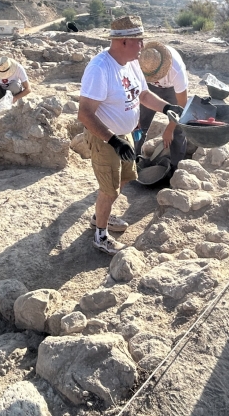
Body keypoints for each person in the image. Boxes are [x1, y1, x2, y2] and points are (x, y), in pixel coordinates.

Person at [78, 16, 184, 255]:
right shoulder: (99, 68)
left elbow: (143, 95)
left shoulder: (132, 62)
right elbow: (84, 114)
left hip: (124, 134)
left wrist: (167, 108)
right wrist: (113, 140)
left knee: (125, 177)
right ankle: (101, 236)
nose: (143, 45)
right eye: (139, 40)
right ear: (123, 41)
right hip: (105, 137)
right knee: (109, 188)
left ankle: (99, 217)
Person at [135, 41, 189, 173]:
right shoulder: (142, 61)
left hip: (172, 89)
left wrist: (169, 129)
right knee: (139, 124)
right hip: (149, 90)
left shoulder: (177, 71)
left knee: (178, 129)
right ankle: (134, 160)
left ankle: (175, 169)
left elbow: (181, 106)